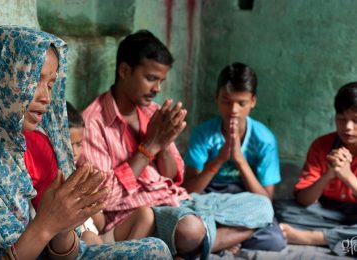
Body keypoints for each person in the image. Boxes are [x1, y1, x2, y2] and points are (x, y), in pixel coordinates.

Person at [82, 29, 275, 259]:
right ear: (125, 71)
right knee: (191, 229)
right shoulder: (94, 123)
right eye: (151, 78)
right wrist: (148, 148)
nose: (158, 89)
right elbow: (104, 198)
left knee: (263, 206)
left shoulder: (153, 112)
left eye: (161, 80)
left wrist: (164, 144)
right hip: (143, 214)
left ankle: (198, 243)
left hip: (181, 200)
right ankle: (201, 240)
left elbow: (175, 178)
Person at [0, 26, 172, 259]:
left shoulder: (37, 144)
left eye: (51, 85)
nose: (46, 97)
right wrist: (46, 225)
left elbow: (67, 254)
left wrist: (64, 225)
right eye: (35, 80)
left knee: (156, 250)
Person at [182, 62, 285, 251]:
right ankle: (226, 238)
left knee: (274, 240)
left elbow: (266, 198)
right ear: (217, 98)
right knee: (183, 212)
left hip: (245, 198)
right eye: (226, 101)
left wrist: (239, 160)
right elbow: (188, 189)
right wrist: (219, 160)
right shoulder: (203, 133)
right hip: (208, 196)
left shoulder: (264, 139)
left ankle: (214, 239)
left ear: (253, 101)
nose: (233, 110)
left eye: (242, 103)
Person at [275, 82, 357, 256]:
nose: (348, 127)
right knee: (281, 210)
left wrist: (348, 177)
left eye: (356, 120)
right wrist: (329, 174)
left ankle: (315, 238)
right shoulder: (322, 145)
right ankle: (341, 241)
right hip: (326, 213)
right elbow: (304, 201)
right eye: (341, 119)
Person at [66, 101, 156, 245]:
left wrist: (92, 199)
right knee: (89, 237)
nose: (75, 152)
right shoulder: (56, 178)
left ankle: (124, 254)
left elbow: (101, 225)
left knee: (145, 215)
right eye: (69, 145)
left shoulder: (82, 174)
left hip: (99, 238)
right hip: (79, 244)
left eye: (79, 144)